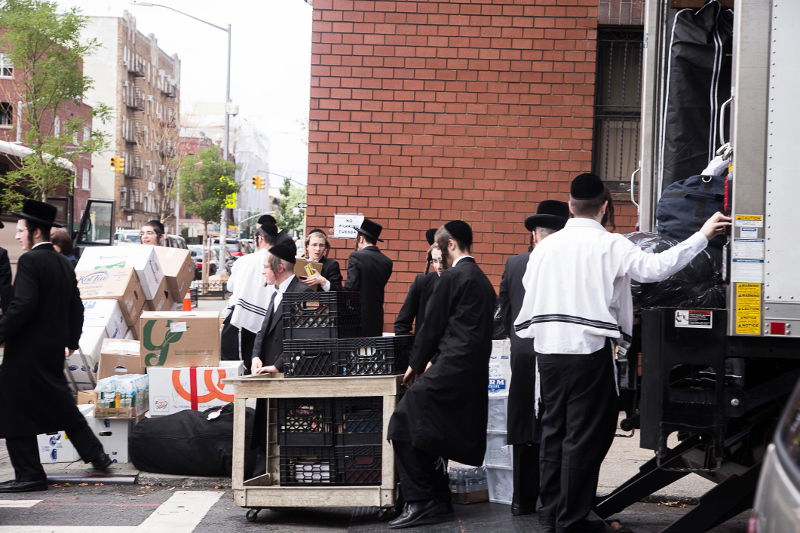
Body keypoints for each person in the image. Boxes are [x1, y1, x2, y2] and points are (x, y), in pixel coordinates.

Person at [514, 173, 731, 533]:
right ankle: (573, 520)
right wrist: (702, 235)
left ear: (570, 206)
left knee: (554, 434)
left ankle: (551, 514)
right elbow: (656, 269)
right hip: (588, 351)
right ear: (603, 207)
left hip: (548, 351)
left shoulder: (545, 248)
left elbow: (529, 289)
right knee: (582, 438)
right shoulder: (610, 245)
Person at [387, 221, 496, 529]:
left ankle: (421, 501)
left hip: (450, 367)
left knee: (401, 424)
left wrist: (416, 364)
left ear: (451, 245)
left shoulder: (452, 277)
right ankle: (438, 499)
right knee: (426, 431)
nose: (437, 254)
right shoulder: (482, 280)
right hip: (469, 372)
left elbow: (432, 325)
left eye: (439, 246)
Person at [0, 200, 112, 493]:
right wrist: (71, 341)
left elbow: (23, 305)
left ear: (35, 232)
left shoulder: (30, 261)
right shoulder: (63, 261)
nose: (17, 236)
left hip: (26, 350)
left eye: (21, 230)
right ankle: (96, 454)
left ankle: (29, 474)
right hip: (51, 349)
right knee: (60, 402)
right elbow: (77, 307)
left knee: (13, 409)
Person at [497, 200, 569, 516]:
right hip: (560, 353)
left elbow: (503, 314)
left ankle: (522, 500)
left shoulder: (515, 264)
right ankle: (556, 499)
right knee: (559, 425)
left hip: (523, 355)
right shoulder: (571, 263)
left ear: (535, 235)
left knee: (525, 425)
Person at [249, 231, 312, 375]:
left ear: (280, 268)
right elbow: (263, 329)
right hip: (267, 366)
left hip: (287, 372)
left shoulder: (303, 293)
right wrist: (255, 356)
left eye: (266, 267)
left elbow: (303, 337)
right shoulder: (275, 293)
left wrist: (278, 366)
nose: (263, 272)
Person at [221, 218, 279, 362]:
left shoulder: (244, 261)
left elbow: (230, 286)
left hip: (242, 318)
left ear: (260, 239)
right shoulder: (281, 262)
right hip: (271, 322)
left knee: (241, 363)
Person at [345, 218, 392, 336]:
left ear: (361, 238)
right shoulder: (387, 262)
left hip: (357, 318)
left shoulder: (356, 257)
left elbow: (350, 288)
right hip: (376, 318)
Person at [394, 229, 443, 335]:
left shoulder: (460, 282)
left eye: (442, 261)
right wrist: (415, 344)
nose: (438, 266)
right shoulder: (422, 281)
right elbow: (402, 323)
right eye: (434, 261)